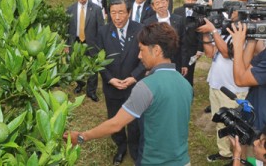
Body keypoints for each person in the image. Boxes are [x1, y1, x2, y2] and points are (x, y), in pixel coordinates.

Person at [64, 22, 193, 166]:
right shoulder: (185, 84)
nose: (139, 55)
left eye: (141, 50)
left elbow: (116, 124)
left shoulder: (147, 87)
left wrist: (81, 137)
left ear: (156, 50)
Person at [197, 0, 250, 162]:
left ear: (244, 6)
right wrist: (205, 31)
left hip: (233, 88)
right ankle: (225, 153)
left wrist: (213, 31)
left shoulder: (246, 29)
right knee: (220, 121)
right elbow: (211, 52)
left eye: (234, 4)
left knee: (235, 125)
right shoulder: (226, 26)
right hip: (217, 83)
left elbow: (228, 53)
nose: (229, 8)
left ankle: (237, 157)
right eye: (228, 4)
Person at [96, 0, 146, 165]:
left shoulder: (140, 30)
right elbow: (98, 61)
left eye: (121, 13)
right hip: (112, 88)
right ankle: (121, 146)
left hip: (134, 86)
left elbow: (145, 58)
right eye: (113, 13)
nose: (117, 17)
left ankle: (134, 149)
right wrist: (110, 80)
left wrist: (134, 77)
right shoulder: (103, 32)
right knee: (114, 119)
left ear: (129, 12)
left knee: (134, 122)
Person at [66, 0, 104, 102]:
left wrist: (100, 45)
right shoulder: (70, 9)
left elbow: (101, 28)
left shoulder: (96, 9)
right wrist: (66, 44)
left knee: (92, 67)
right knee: (76, 65)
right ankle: (80, 83)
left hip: (91, 42)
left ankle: (91, 91)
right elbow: (67, 28)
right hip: (76, 42)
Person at [226, 21, 266, 133]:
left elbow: (240, 80)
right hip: (254, 118)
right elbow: (245, 69)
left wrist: (238, 45)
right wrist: (252, 39)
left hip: (261, 130)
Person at [144, 0, 188, 76]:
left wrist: (184, 64)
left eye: (163, 2)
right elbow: (146, 46)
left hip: (176, 63)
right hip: (156, 64)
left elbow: (183, 43)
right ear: (153, 6)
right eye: (157, 3)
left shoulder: (179, 20)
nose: (160, 6)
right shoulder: (148, 23)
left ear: (167, 2)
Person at [173, 0, 203, 86]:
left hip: (192, 46)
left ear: (197, 0)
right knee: (178, 67)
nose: (190, 2)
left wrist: (200, 49)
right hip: (179, 45)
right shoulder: (177, 11)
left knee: (189, 70)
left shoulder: (200, 14)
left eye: (193, 0)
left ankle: (189, 90)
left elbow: (201, 33)